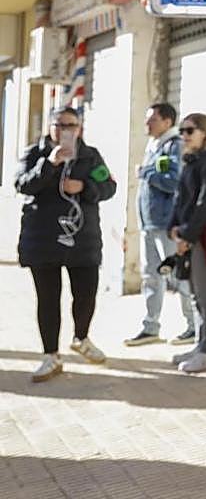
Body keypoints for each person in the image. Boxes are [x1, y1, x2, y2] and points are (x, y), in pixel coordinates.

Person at [15, 106, 117, 382]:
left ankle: (81, 337)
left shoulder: (90, 156)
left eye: (71, 125)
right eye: (60, 125)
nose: (65, 131)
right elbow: (22, 184)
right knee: (48, 299)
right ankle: (51, 355)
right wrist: (50, 164)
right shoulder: (34, 154)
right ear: (50, 127)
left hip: (82, 239)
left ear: (79, 129)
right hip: (43, 238)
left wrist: (85, 188)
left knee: (86, 295)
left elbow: (109, 186)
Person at [124, 102, 197, 347]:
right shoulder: (154, 144)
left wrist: (146, 173)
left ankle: (193, 326)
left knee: (179, 274)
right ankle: (150, 327)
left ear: (167, 122)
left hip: (167, 224)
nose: (147, 123)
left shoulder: (174, 145)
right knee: (151, 277)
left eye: (152, 119)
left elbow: (174, 181)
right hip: (150, 223)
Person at [167, 112, 206, 374]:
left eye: (190, 130)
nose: (184, 135)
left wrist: (187, 236)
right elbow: (180, 201)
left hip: (204, 237)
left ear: (205, 133)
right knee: (195, 294)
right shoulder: (191, 162)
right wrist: (173, 229)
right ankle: (201, 345)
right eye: (181, 131)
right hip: (189, 236)